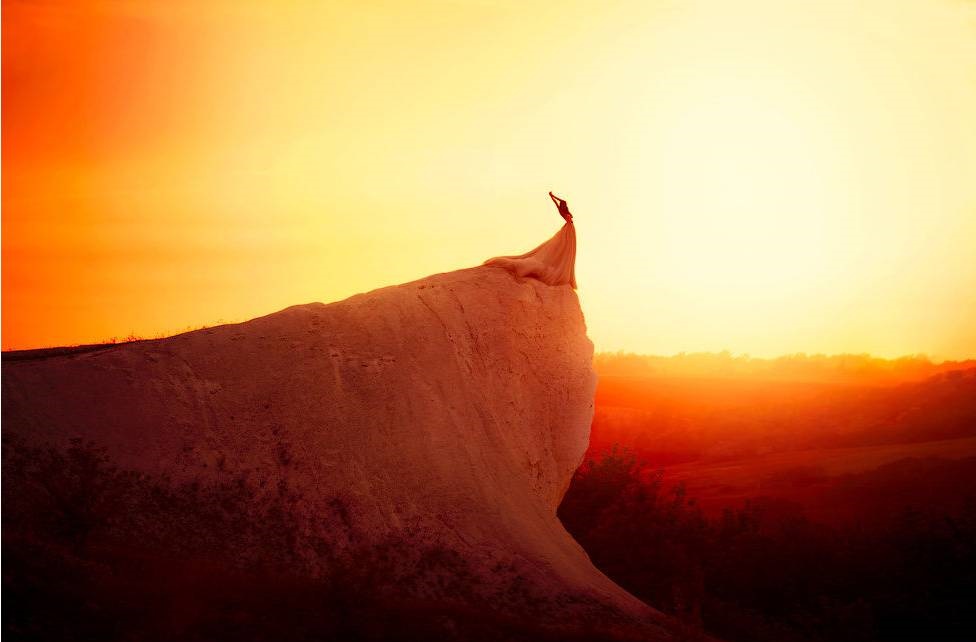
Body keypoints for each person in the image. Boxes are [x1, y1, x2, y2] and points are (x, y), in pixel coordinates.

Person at [484, 192, 577, 288]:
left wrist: (553, 197)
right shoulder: (564, 212)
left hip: (568, 228)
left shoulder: (563, 210)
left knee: (565, 248)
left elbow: (561, 202)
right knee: (565, 248)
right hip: (568, 229)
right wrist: (553, 197)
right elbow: (560, 204)